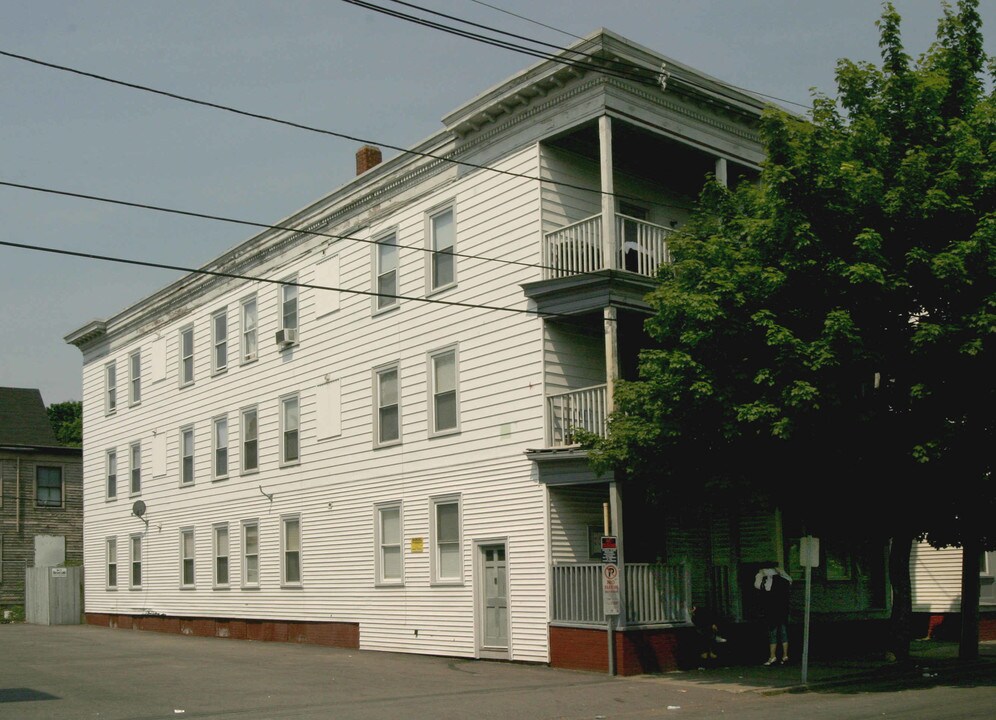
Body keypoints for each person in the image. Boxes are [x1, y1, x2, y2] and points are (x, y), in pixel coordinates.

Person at [754, 563, 792, 666]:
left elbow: (758, 585)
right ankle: (785, 655)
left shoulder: (767, 583)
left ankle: (772, 656)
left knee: (773, 634)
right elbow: (789, 580)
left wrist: (761, 574)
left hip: (771, 612)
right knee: (784, 633)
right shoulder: (784, 581)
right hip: (783, 611)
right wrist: (781, 572)